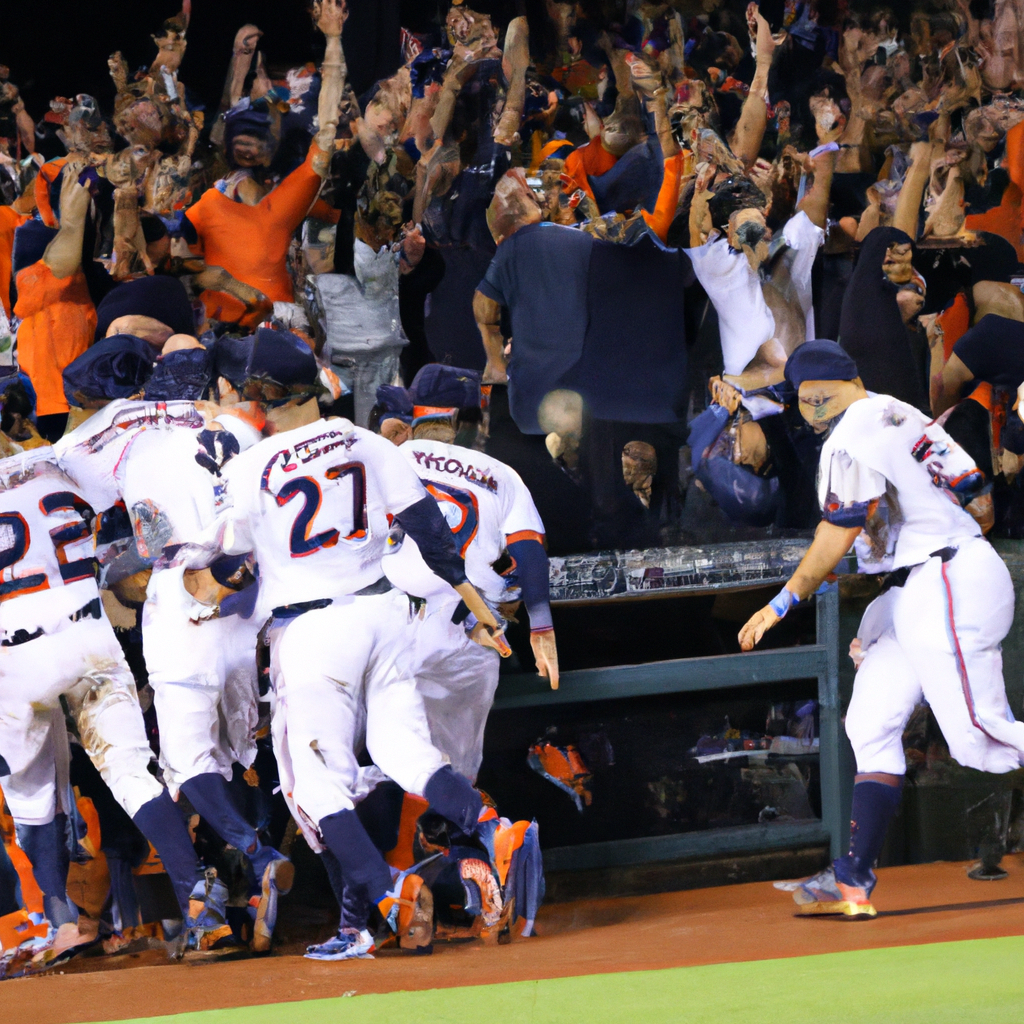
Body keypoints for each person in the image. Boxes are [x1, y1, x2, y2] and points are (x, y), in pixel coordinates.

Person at [189, 346, 509, 959]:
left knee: (314, 785)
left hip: (313, 631)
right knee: (405, 753)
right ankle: (493, 829)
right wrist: (477, 603)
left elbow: (231, 565)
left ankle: (389, 896)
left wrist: (197, 581)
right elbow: (432, 534)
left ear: (261, 394)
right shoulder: (369, 442)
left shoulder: (252, 464)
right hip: (384, 615)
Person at [738, 340, 1023, 917]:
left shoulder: (848, 436)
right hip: (933, 579)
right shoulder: (900, 411)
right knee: (869, 723)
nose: (802, 411)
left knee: (980, 737)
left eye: (802, 401)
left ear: (814, 397)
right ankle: (852, 877)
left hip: (947, 579)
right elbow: (979, 497)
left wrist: (781, 603)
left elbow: (837, 532)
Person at [0, 446, 227, 956]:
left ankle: (58, 921)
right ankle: (200, 903)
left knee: (31, 800)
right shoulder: (67, 463)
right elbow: (145, 534)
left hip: (12, 654)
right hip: (86, 633)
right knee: (129, 774)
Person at [380, 364, 558, 782]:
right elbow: (529, 554)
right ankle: (458, 839)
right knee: (454, 772)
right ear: (460, 418)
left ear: (413, 414)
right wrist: (541, 627)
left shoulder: (384, 460)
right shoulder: (501, 474)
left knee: (391, 756)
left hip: (391, 624)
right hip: (469, 630)